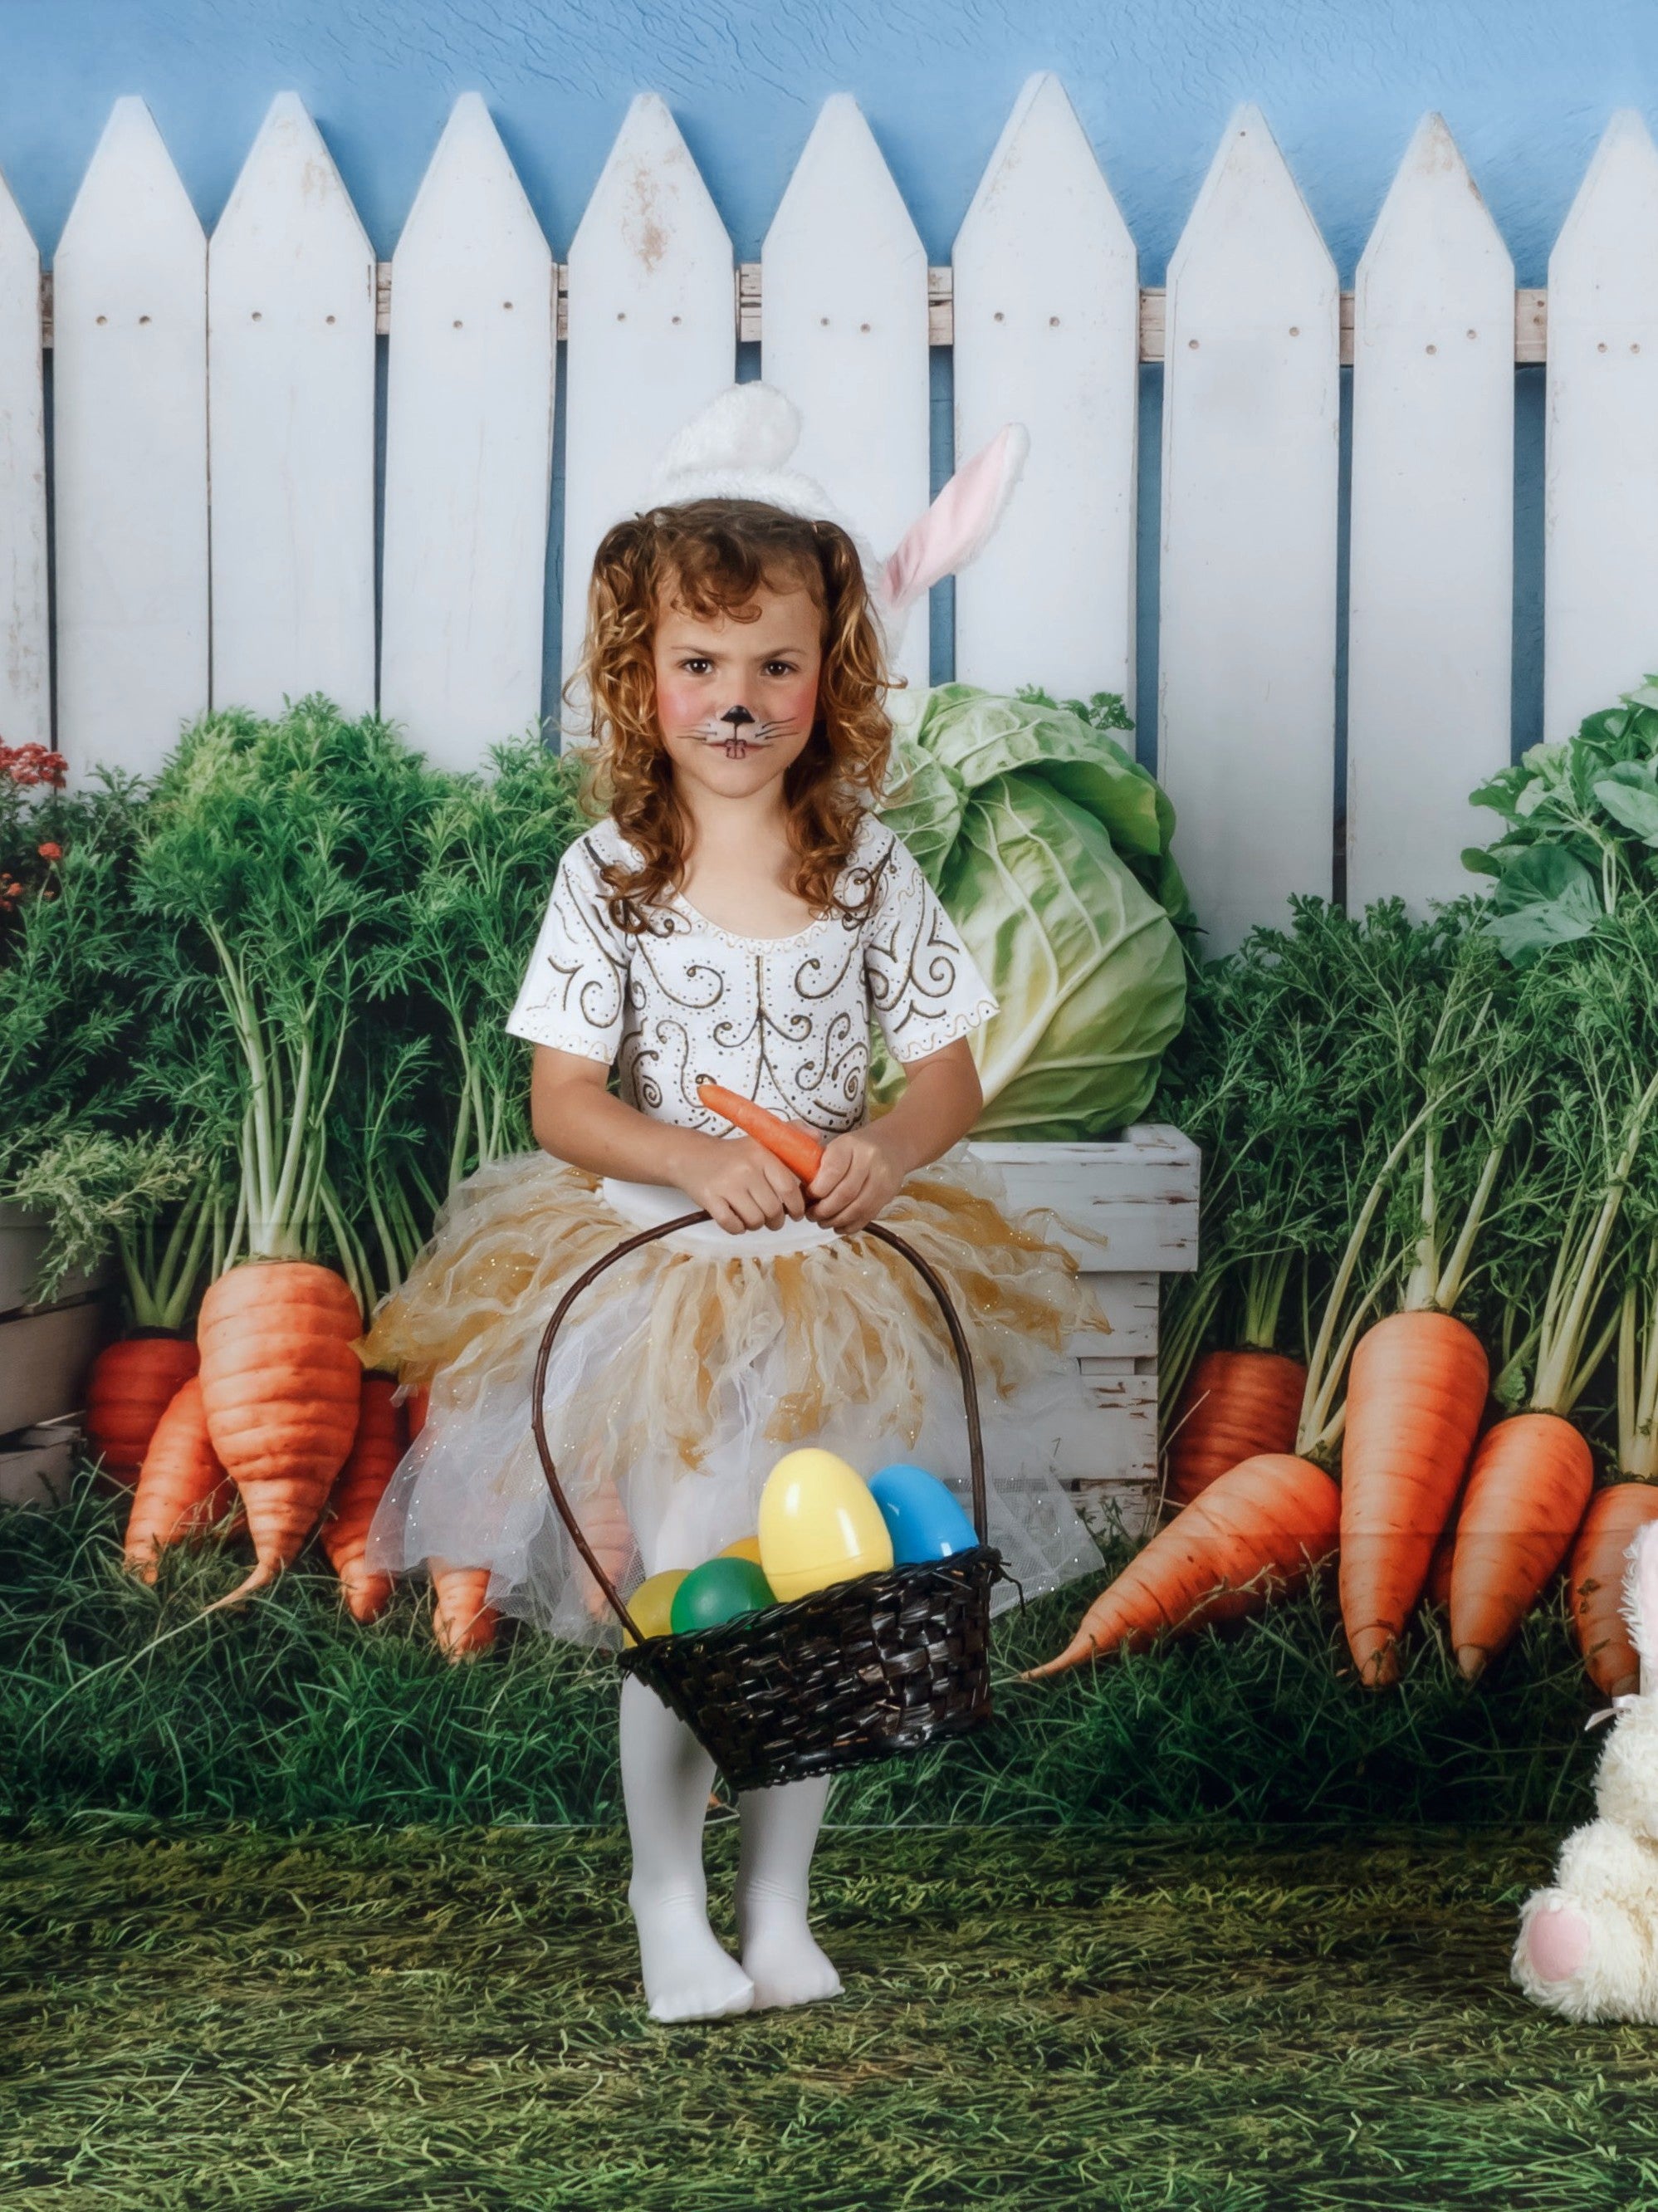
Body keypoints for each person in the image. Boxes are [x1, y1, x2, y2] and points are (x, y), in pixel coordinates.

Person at [364, 399, 1103, 2023]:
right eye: (701, 663)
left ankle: (777, 1906)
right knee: (705, 1577)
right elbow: (562, 1101)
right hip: (664, 1270)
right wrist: (692, 1157)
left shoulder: (866, 869)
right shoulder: (612, 869)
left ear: (830, 673)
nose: (738, 699)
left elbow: (950, 1074)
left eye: (776, 663)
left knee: (826, 1589)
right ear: (641, 678)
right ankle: (662, 1902)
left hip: (842, 1269)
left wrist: (890, 1152)